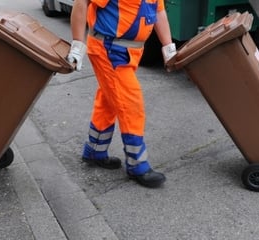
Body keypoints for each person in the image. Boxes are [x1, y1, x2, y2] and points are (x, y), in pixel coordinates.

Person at [67, 0, 177, 188]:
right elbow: (82, 2)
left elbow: (159, 13)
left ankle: (94, 151)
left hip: (128, 52)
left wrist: (168, 48)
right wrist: (78, 43)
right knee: (131, 104)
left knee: (109, 100)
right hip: (110, 51)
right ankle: (137, 165)